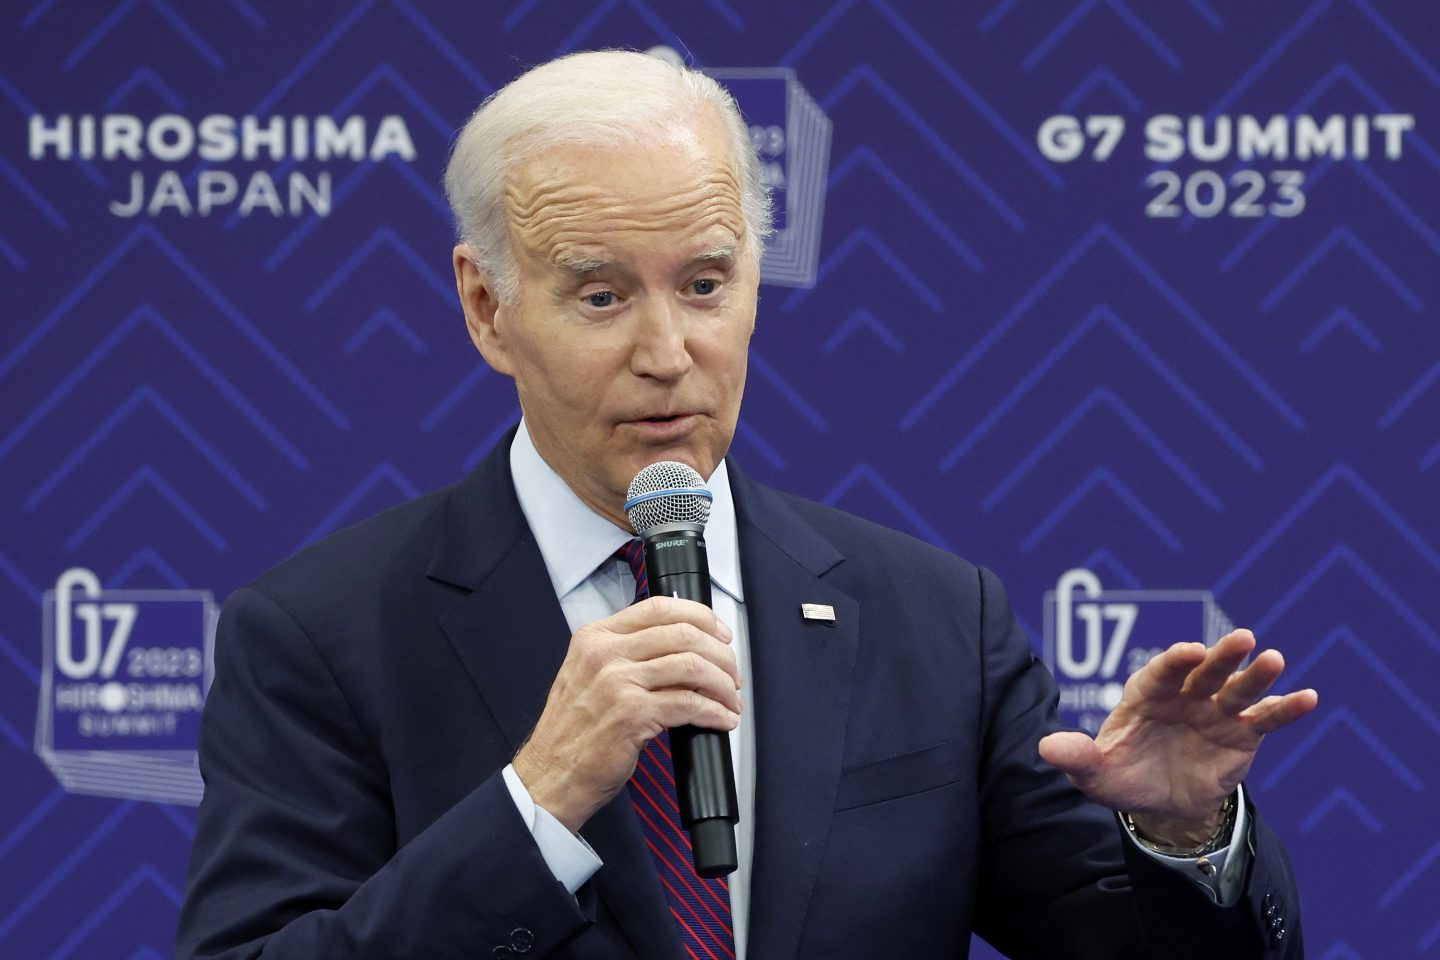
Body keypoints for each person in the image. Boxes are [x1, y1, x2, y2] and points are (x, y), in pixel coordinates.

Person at [177, 50, 1317, 959]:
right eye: (600, 293)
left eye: (706, 284)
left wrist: (1179, 838)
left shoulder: (933, 619)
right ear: (487, 308)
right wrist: (538, 802)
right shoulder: (322, 636)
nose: (667, 353)